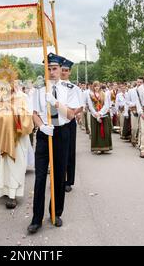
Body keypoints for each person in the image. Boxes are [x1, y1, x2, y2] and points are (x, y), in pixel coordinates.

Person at [28, 53, 79, 234]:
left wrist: (55, 103)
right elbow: (33, 112)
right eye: (48, 69)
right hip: (44, 133)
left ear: (60, 69)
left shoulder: (70, 88)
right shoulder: (38, 90)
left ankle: (55, 212)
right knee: (40, 177)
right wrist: (41, 126)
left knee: (58, 175)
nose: (51, 72)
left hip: (61, 133)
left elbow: (71, 114)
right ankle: (36, 219)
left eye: (54, 68)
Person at [0, 60, 34, 209]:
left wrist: (13, 114)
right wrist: (0, 116)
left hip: (16, 140)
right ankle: (4, 190)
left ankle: (13, 195)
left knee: (14, 165)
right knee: (1, 166)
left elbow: (27, 116)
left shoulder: (22, 97)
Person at [60, 59, 84, 193]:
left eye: (66, 70)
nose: (63, 72)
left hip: (69, 123)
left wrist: (70, 113)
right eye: (62, 70)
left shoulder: (74, 88)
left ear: (69, 72)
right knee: (58, 153)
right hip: (56, 123)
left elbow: (81, 106)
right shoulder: (53, 87)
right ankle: (58, 179)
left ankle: (68, 181)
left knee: (69, 152)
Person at [87, 81, 112, 154]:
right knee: (96, 132)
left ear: (100, 86)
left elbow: (106, 105)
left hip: (103, 114)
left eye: (97, 86)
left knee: (105, 131)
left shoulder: (104, 94)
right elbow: (90, 105)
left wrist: (100, 113)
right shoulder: (91, 95)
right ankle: (96, 147)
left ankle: (105, 147)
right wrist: (95, 113)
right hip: (94, 115)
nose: (96, 87)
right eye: (95, 86)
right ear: (93, 87)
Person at [125, 78, 143, 147]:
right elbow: (127, 101)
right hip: (134, 110)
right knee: (134, 128)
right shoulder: (131, 91)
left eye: (141, 82)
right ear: (136, 82)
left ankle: (140, 141)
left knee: (141, 128)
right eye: (138, 82)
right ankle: (133, 138)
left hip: (142, 111)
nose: (139, 83)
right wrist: (133, 104)